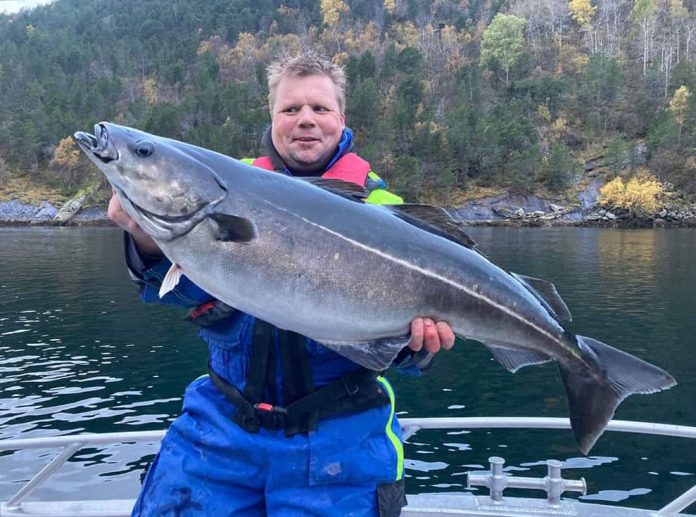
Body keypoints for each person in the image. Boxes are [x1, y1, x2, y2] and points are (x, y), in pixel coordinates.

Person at [109, 50, 455, 517]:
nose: (305, 120)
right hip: (221, 423)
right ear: (273, 118)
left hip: (343, 436)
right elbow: (187, 296)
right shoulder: (225, 190)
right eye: (290, 109)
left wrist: (416, 347)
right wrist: (149, 244)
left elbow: (410, 360)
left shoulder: (386, 209)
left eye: (319, 108)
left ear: (341, 118)